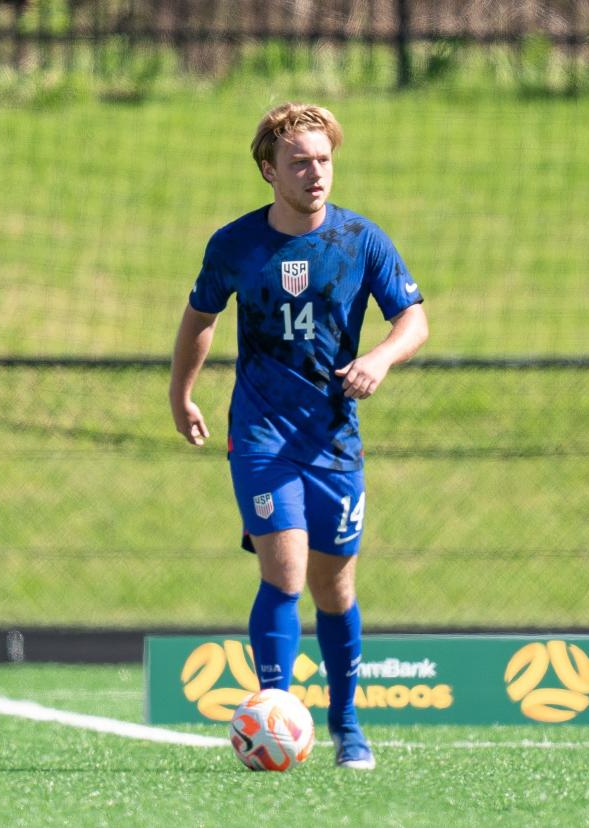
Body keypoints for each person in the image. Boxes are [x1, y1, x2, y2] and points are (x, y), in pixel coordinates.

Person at [169, 102, 428, 770]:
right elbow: (200, 316)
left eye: (324, 160)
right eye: (299, 162)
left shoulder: (361, 241)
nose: (316, 174)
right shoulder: (235, 245)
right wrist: (181, 394)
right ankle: (276, 712)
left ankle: (348, 726)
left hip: (333, 440)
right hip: (261, 435)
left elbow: (414, 321)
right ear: (268, 170)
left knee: (333, 589)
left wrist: (378, 358)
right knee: (282, 573)